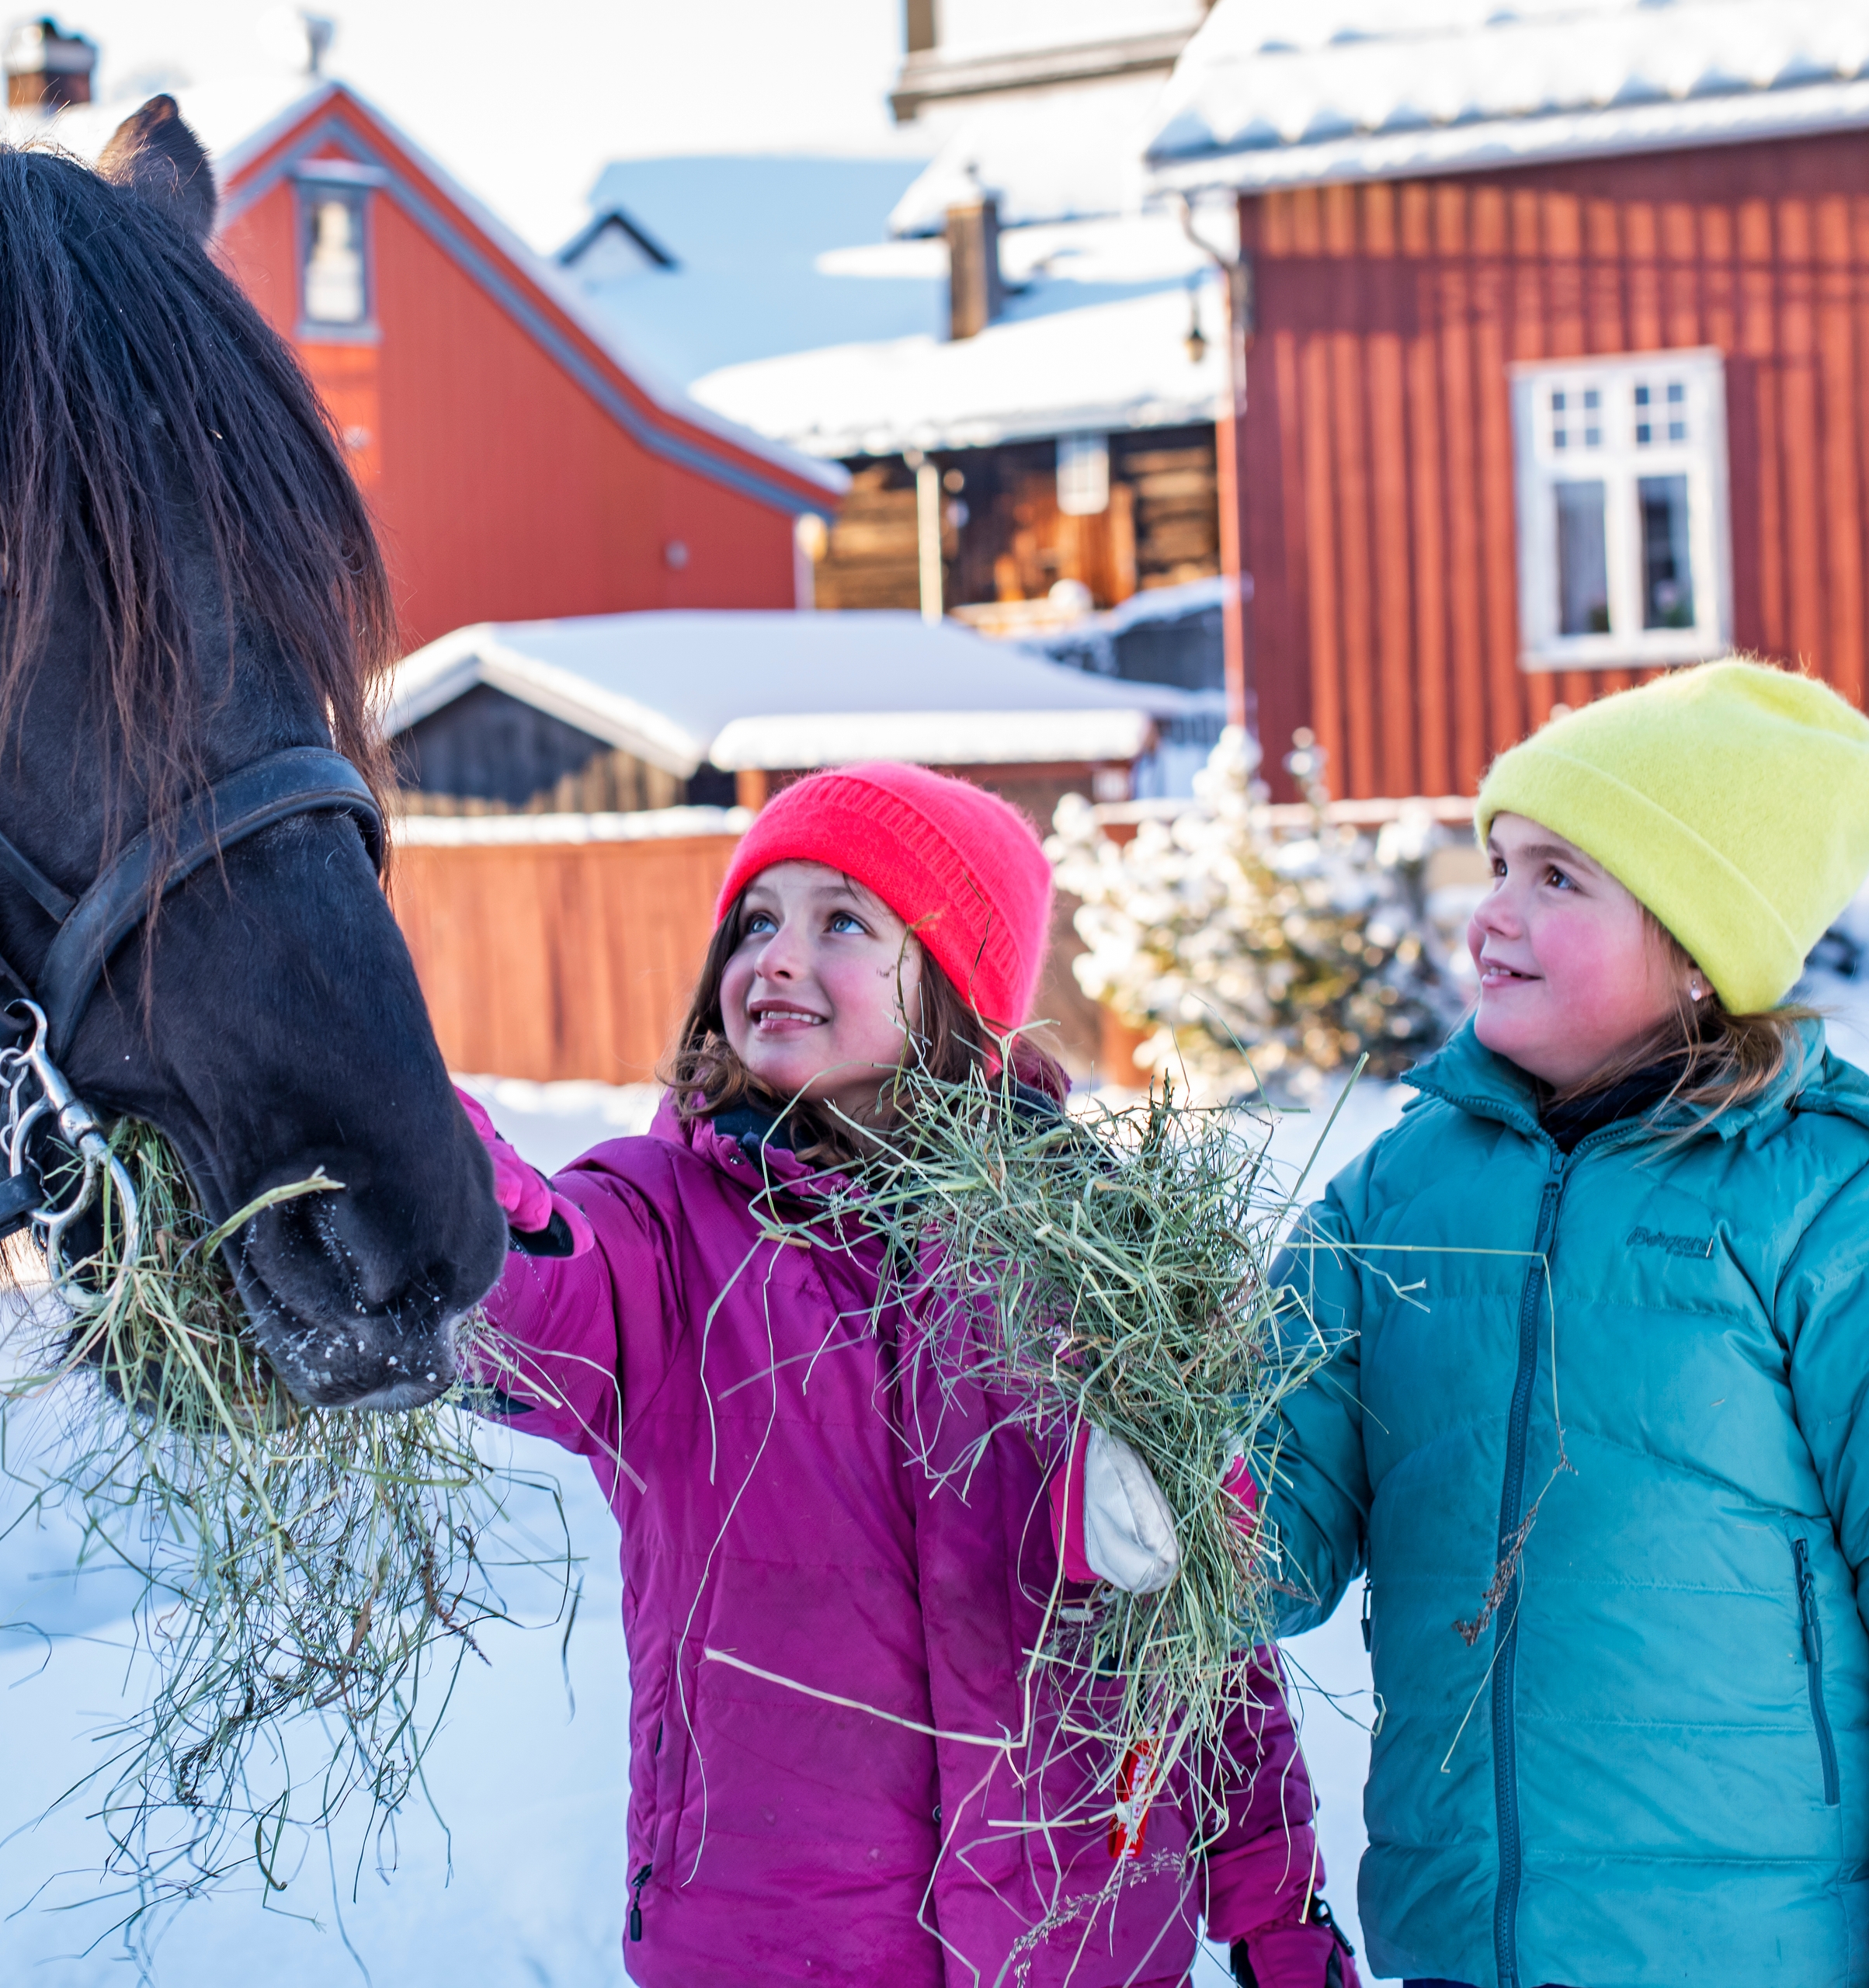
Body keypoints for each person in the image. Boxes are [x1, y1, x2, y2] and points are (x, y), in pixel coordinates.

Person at [460, 762, 1359, 1988]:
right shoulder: (663, 1232)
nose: (775, 957)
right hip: (781, 1945)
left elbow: (1203, 1640)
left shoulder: (1101, 1256)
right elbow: (527, 1295)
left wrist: (1278, 1911)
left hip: (1084, 1948)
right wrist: (429, 1187)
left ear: (953, 987)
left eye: (842, 922)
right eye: (754, 923)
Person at [1259, 661, 1869, 1988]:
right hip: (1469, 1939)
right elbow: (1274, 1517)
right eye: (1498, 861)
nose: (1491, 914)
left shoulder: (1854, 1207)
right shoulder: (1397, 1192)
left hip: (1758, 1950)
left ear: (1698, 949)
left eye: (1558, 877)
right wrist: (1161, 1495)